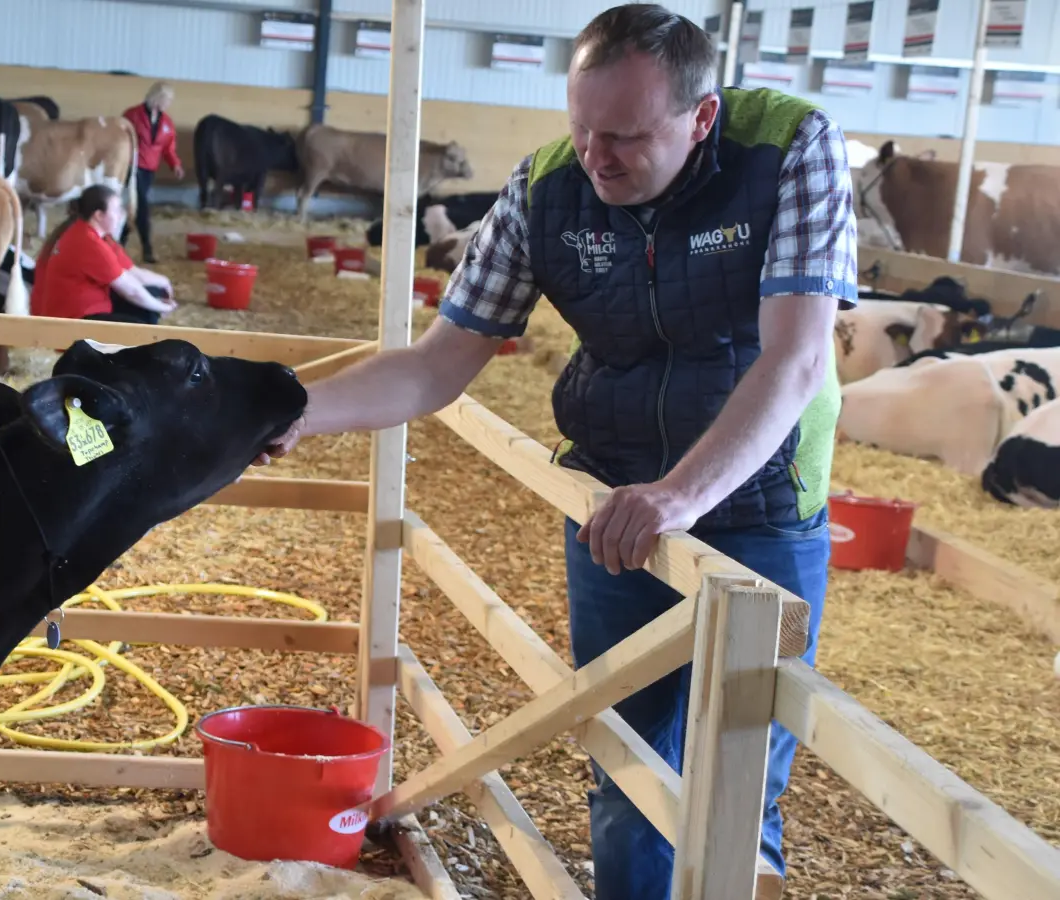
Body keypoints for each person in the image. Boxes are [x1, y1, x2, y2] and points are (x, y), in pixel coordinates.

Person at [253, 5, 855, 898]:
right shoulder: (547, 188)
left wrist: (679, 495)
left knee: (736, 782)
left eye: (625, 135)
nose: (597, 156)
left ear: (703, 117)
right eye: (581, 128)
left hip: (761, 505)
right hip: (617, 508)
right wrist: (293, 409)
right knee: (624, 764)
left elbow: (798, 353)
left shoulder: (790, 149)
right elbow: (435, 364)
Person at [30, 184, 177, 325]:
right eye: (116, 210)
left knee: (148, 303)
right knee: (140, 326)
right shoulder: (89, 242)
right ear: (99, 215)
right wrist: (163, 307)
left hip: (79, 310)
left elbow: (127, 276)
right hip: (77, 318)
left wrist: (157, 298)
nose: (121, 216)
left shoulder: (86, 233)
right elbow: (130, 289)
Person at [122, 81, 184, 263]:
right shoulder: (132, 115)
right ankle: (147, 248)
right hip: (131, 167)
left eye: (170, 100)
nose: (168, 103)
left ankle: (119, 242)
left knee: (131, 209)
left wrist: (176, 165)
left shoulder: (167, 123)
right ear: (157, 97)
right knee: (142, 206)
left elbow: (168, 148)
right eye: (166, 99)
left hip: (149, 170)